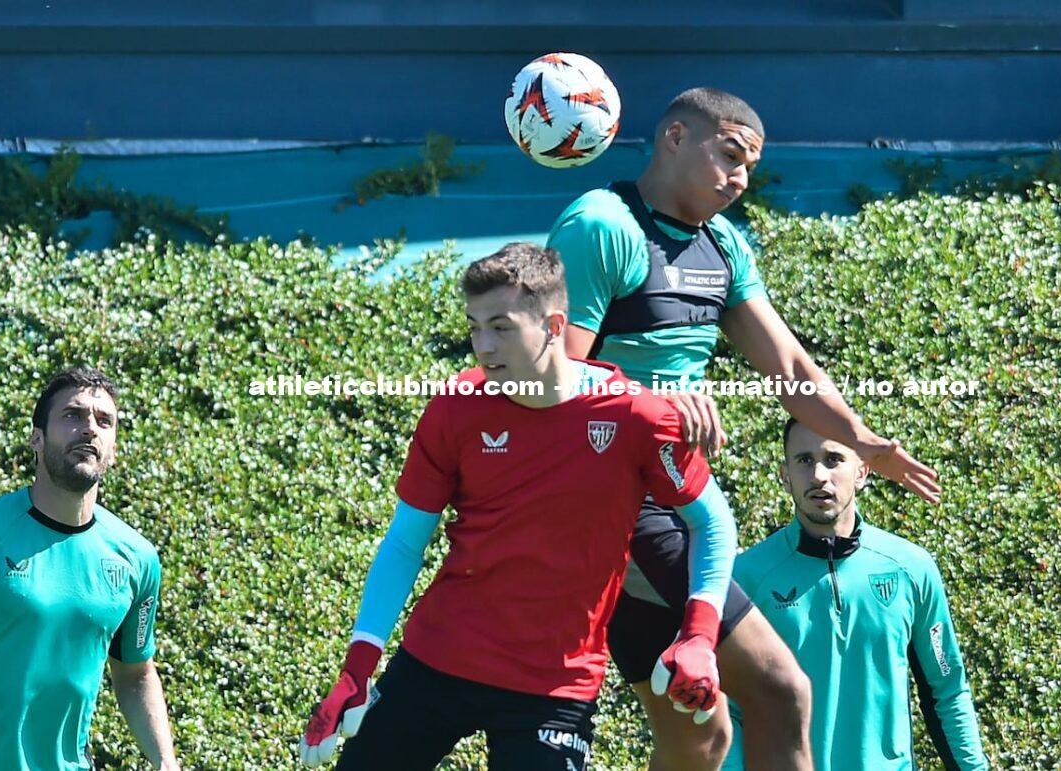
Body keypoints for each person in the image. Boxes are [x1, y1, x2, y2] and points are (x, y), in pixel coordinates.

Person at [546, 86, 942, 769]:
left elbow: (788, 362)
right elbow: (551, 380)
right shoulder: (601, 226)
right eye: (728, 156)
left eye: (749, 167)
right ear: (674, 136)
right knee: (782, 690)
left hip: (674, 498)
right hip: (614, 504)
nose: (739, 179)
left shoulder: (723, 246)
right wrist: (655, 408)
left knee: (699, 736)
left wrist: (865, 439)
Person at [299, 242, 738, 770]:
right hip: (439, 659)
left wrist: (698, 635)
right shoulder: (455, 407)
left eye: (502, 327)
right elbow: (404, 543)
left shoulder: (638, 418)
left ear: (554, 326)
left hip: (554, 686)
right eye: (474, 326)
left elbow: (711, 521)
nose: (483, 347)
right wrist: (357, 668)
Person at [0, 368, 180, 771]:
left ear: (113, 448)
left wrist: (167, 761)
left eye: (104, 421)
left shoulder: (137, 558)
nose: (89, 429)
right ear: (37, 437)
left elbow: (135, 674)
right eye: (72, 415)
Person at [723, 418, 987, 770]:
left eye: (833, 459)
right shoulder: (745, 578)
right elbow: (726, 706)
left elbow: (947, 691)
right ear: (785, 474)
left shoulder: (910, 569)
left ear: (862, 472)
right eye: (804, 460)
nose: (819, 475)